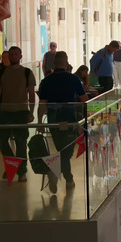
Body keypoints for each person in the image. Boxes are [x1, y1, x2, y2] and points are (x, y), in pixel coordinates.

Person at [37, 51, 86, 191]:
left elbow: (42, 104)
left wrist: (40, 121)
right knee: (66, 152)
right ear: (66, 63)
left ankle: (64, 177)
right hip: (70, 119)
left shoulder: (46, 81)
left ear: (53, 64)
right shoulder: (74, 79)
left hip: (53, 119)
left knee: (61, 150)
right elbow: (84, 101)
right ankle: (65, 178)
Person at [0, 46, 36, 183]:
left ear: (21, 56)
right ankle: (13, 165)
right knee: (1, 140)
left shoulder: (27, 72)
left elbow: (31, 93)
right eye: (11, 54)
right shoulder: (1, 71)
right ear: (8, 56)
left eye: (16, 54)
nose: (14, 56)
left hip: (21, 112)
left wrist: (31, 111)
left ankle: (21, 171)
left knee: (21, 142)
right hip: (5, 111)